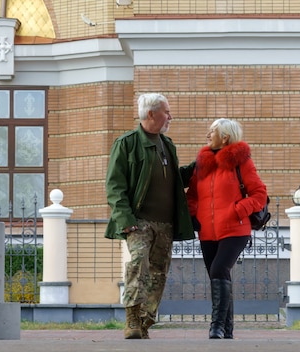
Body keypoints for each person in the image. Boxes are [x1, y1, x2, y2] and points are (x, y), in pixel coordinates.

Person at [105, 93, 195, 339]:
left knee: (159, 273)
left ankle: (145, 322)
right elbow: (115, 186)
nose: (171, 116)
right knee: (138, 266)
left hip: (166, 224)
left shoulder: (168, 144)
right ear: (152, 113)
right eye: (167, 111)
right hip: (139, 222)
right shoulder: (127, 143)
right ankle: (132, 319)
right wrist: (126, 221)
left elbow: (175, 181)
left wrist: (200, 165)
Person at [186, 118, 267, 339]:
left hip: (235, 230)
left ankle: (216, 326)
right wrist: (194, 214)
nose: (207, 135)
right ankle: (227, 330)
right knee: (219, 277)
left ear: (225, 136)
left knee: (218, 271)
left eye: (212, 131)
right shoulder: (203, 164)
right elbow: (192, 195)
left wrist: (238, 210)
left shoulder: (241, 162)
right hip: (207, 231)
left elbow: (259, 194)